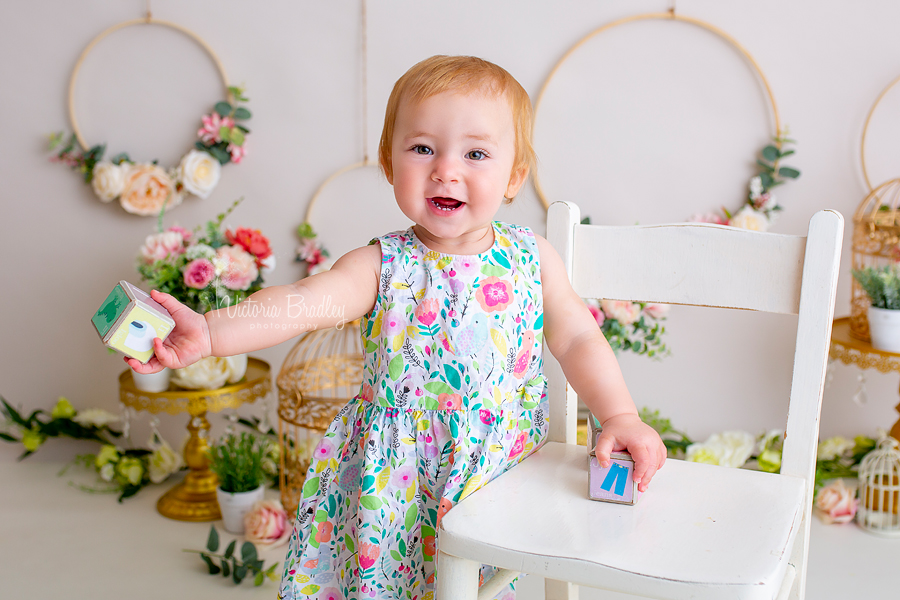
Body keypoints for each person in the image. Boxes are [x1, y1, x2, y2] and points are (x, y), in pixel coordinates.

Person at [127, 55, 666, 600]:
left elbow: (576, 338)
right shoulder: (382, 265)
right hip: (397, 477)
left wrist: (620, 415)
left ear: (514, 177)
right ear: (389, 163)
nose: (446, 170)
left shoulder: (533, 258)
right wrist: (213, 334)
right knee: (390, 583)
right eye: (422, 148)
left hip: (499, 469)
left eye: (475, 154)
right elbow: (301, 302)